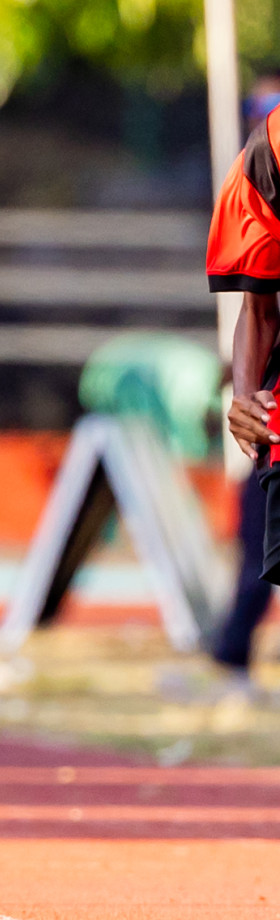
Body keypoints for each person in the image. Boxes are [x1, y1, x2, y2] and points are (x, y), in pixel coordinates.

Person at [208, 76, 280, 690]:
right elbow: (257, 307)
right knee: (258, 546)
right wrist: (244, 393)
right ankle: (231, 655)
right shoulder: (269, 152)